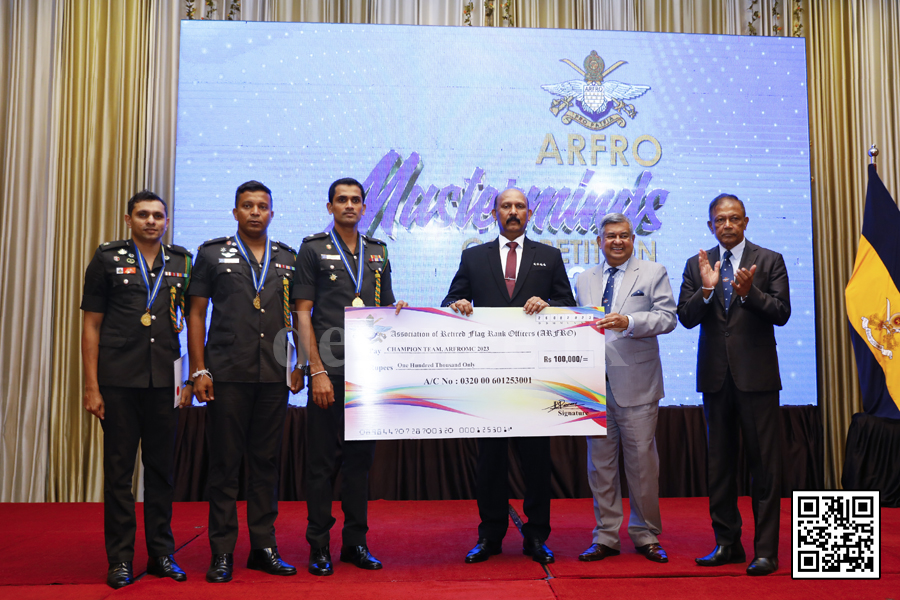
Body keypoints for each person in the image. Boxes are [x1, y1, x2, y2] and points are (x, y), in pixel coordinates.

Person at [441, 187, 575, 565]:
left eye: (519, 206)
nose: (512, 211)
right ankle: (490, 536)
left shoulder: (548, 256)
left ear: (529, 213)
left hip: (536, 380)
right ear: (494, 212)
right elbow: (448, 302)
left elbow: (569, 304)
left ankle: (536, 538)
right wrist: (459, 305)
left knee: (536, 462)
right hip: (487, 380)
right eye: (506, 206)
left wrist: (549, 304)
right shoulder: (473, 256)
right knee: (490, 464)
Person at [184, 180, 303, 583]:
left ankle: (263, 547)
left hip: (272, 375)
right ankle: (221, 552)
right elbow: (196, 314)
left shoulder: (287, 258)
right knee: (225, 464)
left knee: (266, 463)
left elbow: (301, 314)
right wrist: (198, 369)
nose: (255, 212)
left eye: (262, 206)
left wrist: (299, 364)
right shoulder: (212, 254)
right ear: (235, 212)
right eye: (247, 206)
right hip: (226, 373)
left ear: (272, 212)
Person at [292, 177, 407, 576]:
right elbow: (301, 312)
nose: (349, 206)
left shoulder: (378, 251)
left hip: (368, 376)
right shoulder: (312, 250)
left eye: (356, 200)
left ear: (364, 207)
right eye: (341, 200)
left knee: (360, 464)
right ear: (330, 207)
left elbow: (386, 308)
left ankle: (356, 543)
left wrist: (399, 311)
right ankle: (319, 547)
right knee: (322, 465)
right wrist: (316, 370)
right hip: (329, 373)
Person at [81, 190, 191, 589]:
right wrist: (92, 387)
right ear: (128, 220)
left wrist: (189, 378)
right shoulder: (107, 258)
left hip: (164, 383)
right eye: (143, 215)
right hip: (119, 384)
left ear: (165, 221)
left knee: (161, 473)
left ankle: (162, 554)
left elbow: (190, 321)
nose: (151, 221)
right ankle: (121, 560)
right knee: (119, 476)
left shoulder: (181, 261)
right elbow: (91, 325)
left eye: (158, 216)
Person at [676, 193, 790, 577]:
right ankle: (727, 543)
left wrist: (749, 294)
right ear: (710, 225)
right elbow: (686, 317)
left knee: (765, 469)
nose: (726, 225)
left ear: (745, 222)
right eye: (719, 219)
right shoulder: (698, 264)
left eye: (734, 218)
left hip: (757, 380)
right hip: (715, 377)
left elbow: (781, 313)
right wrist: (707, 291)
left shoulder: (770, 260)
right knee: (719, 466)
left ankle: (765, 552)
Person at [574, 213, 676, 564]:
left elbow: (668, 318)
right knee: (600, 467)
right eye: (610, 236)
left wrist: (629, 321)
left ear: (633, 239)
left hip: (637, 385)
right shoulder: (584, 279)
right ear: (598, 241)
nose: (617, 241)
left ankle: (646, 534)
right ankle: (605, 536)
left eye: (624, 236)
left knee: (642, 465)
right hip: (593, 387)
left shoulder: (653, 272)